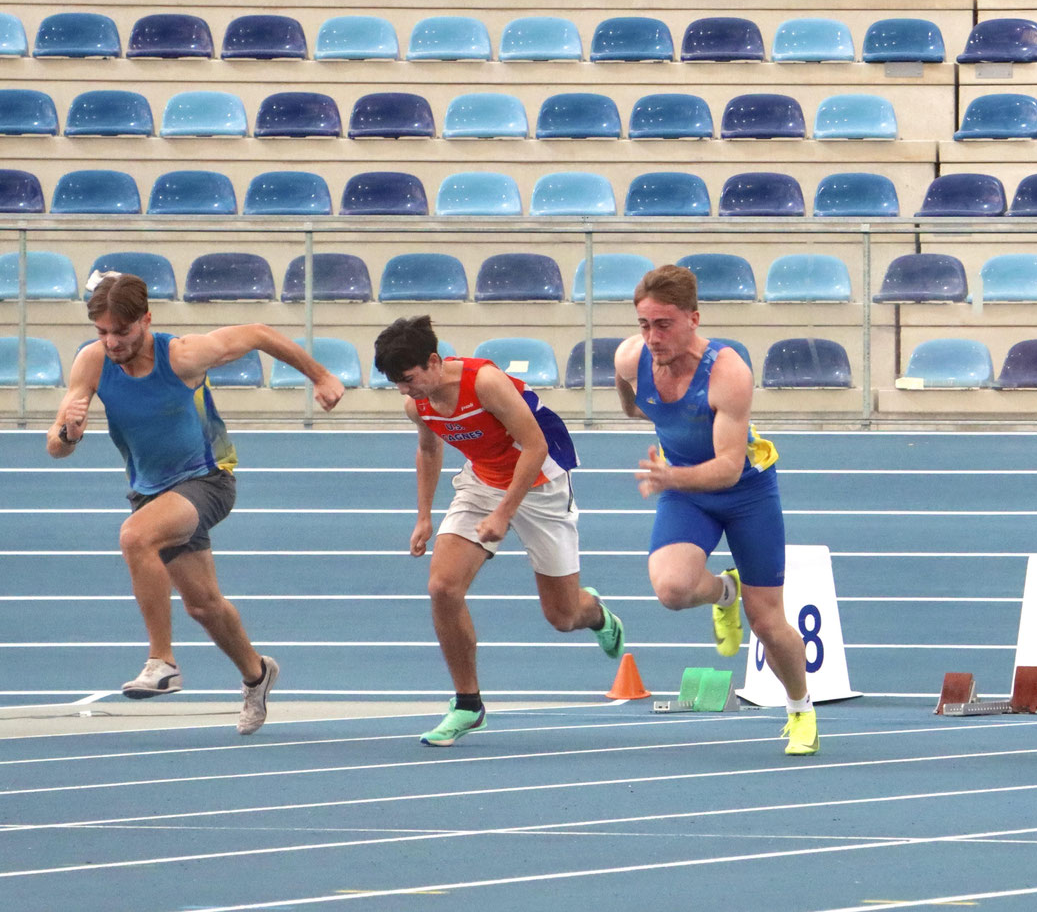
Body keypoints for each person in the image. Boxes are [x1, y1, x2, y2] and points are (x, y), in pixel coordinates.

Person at [48, 271, 344, 734]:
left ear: (146, 320)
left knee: (135, 537)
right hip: (150, 491)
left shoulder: (182, 356)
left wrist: (322, 376)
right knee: (203, 605)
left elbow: (259, 334)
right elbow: (56, 446)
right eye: (102, 332)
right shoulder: (91, 361)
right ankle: (257, 673)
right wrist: (69, 430)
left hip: (208, 479)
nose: (112, 342)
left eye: (121, 332)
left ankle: (161, 661)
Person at [375, 315, 625, 747]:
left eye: (409, 379)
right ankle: (468, 705)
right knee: (443, 588)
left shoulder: (485, 382)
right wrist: (423, 515)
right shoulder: (417, 404)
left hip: (541, 482)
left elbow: (535, 446)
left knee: (562, 616)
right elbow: (429, 447)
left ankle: (596, 613)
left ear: (433, 362)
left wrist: (505, 514)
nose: (405, 390)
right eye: (397, 383)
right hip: (482, 483)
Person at [613, 265, 817, 757]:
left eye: (663, 325)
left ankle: (800, 709)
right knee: (672, 589)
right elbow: (631, 406)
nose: (652, 336)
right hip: (685, 490)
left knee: (767, 622)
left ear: (693, 319)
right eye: (644, 324)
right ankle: (726, 591)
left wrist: (669, 476)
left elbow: (727, 468)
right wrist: (672, 463)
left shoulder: (728, 372)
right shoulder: (630, 358)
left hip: (745, 494)